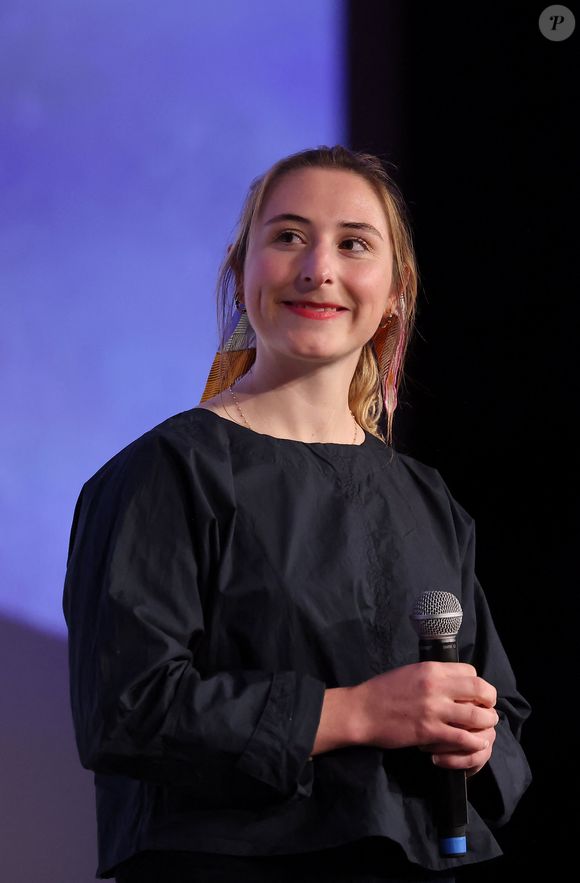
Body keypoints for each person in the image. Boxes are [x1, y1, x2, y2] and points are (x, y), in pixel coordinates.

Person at [62, 145, 531, 883]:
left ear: (396, 290)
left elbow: (503, 711)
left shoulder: (427, 497)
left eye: (353, 243)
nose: (318, 269)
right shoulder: (166, 472)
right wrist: (360, 713)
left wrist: (476, 734)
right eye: (287, 237)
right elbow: (128, 706)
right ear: (240, 268)